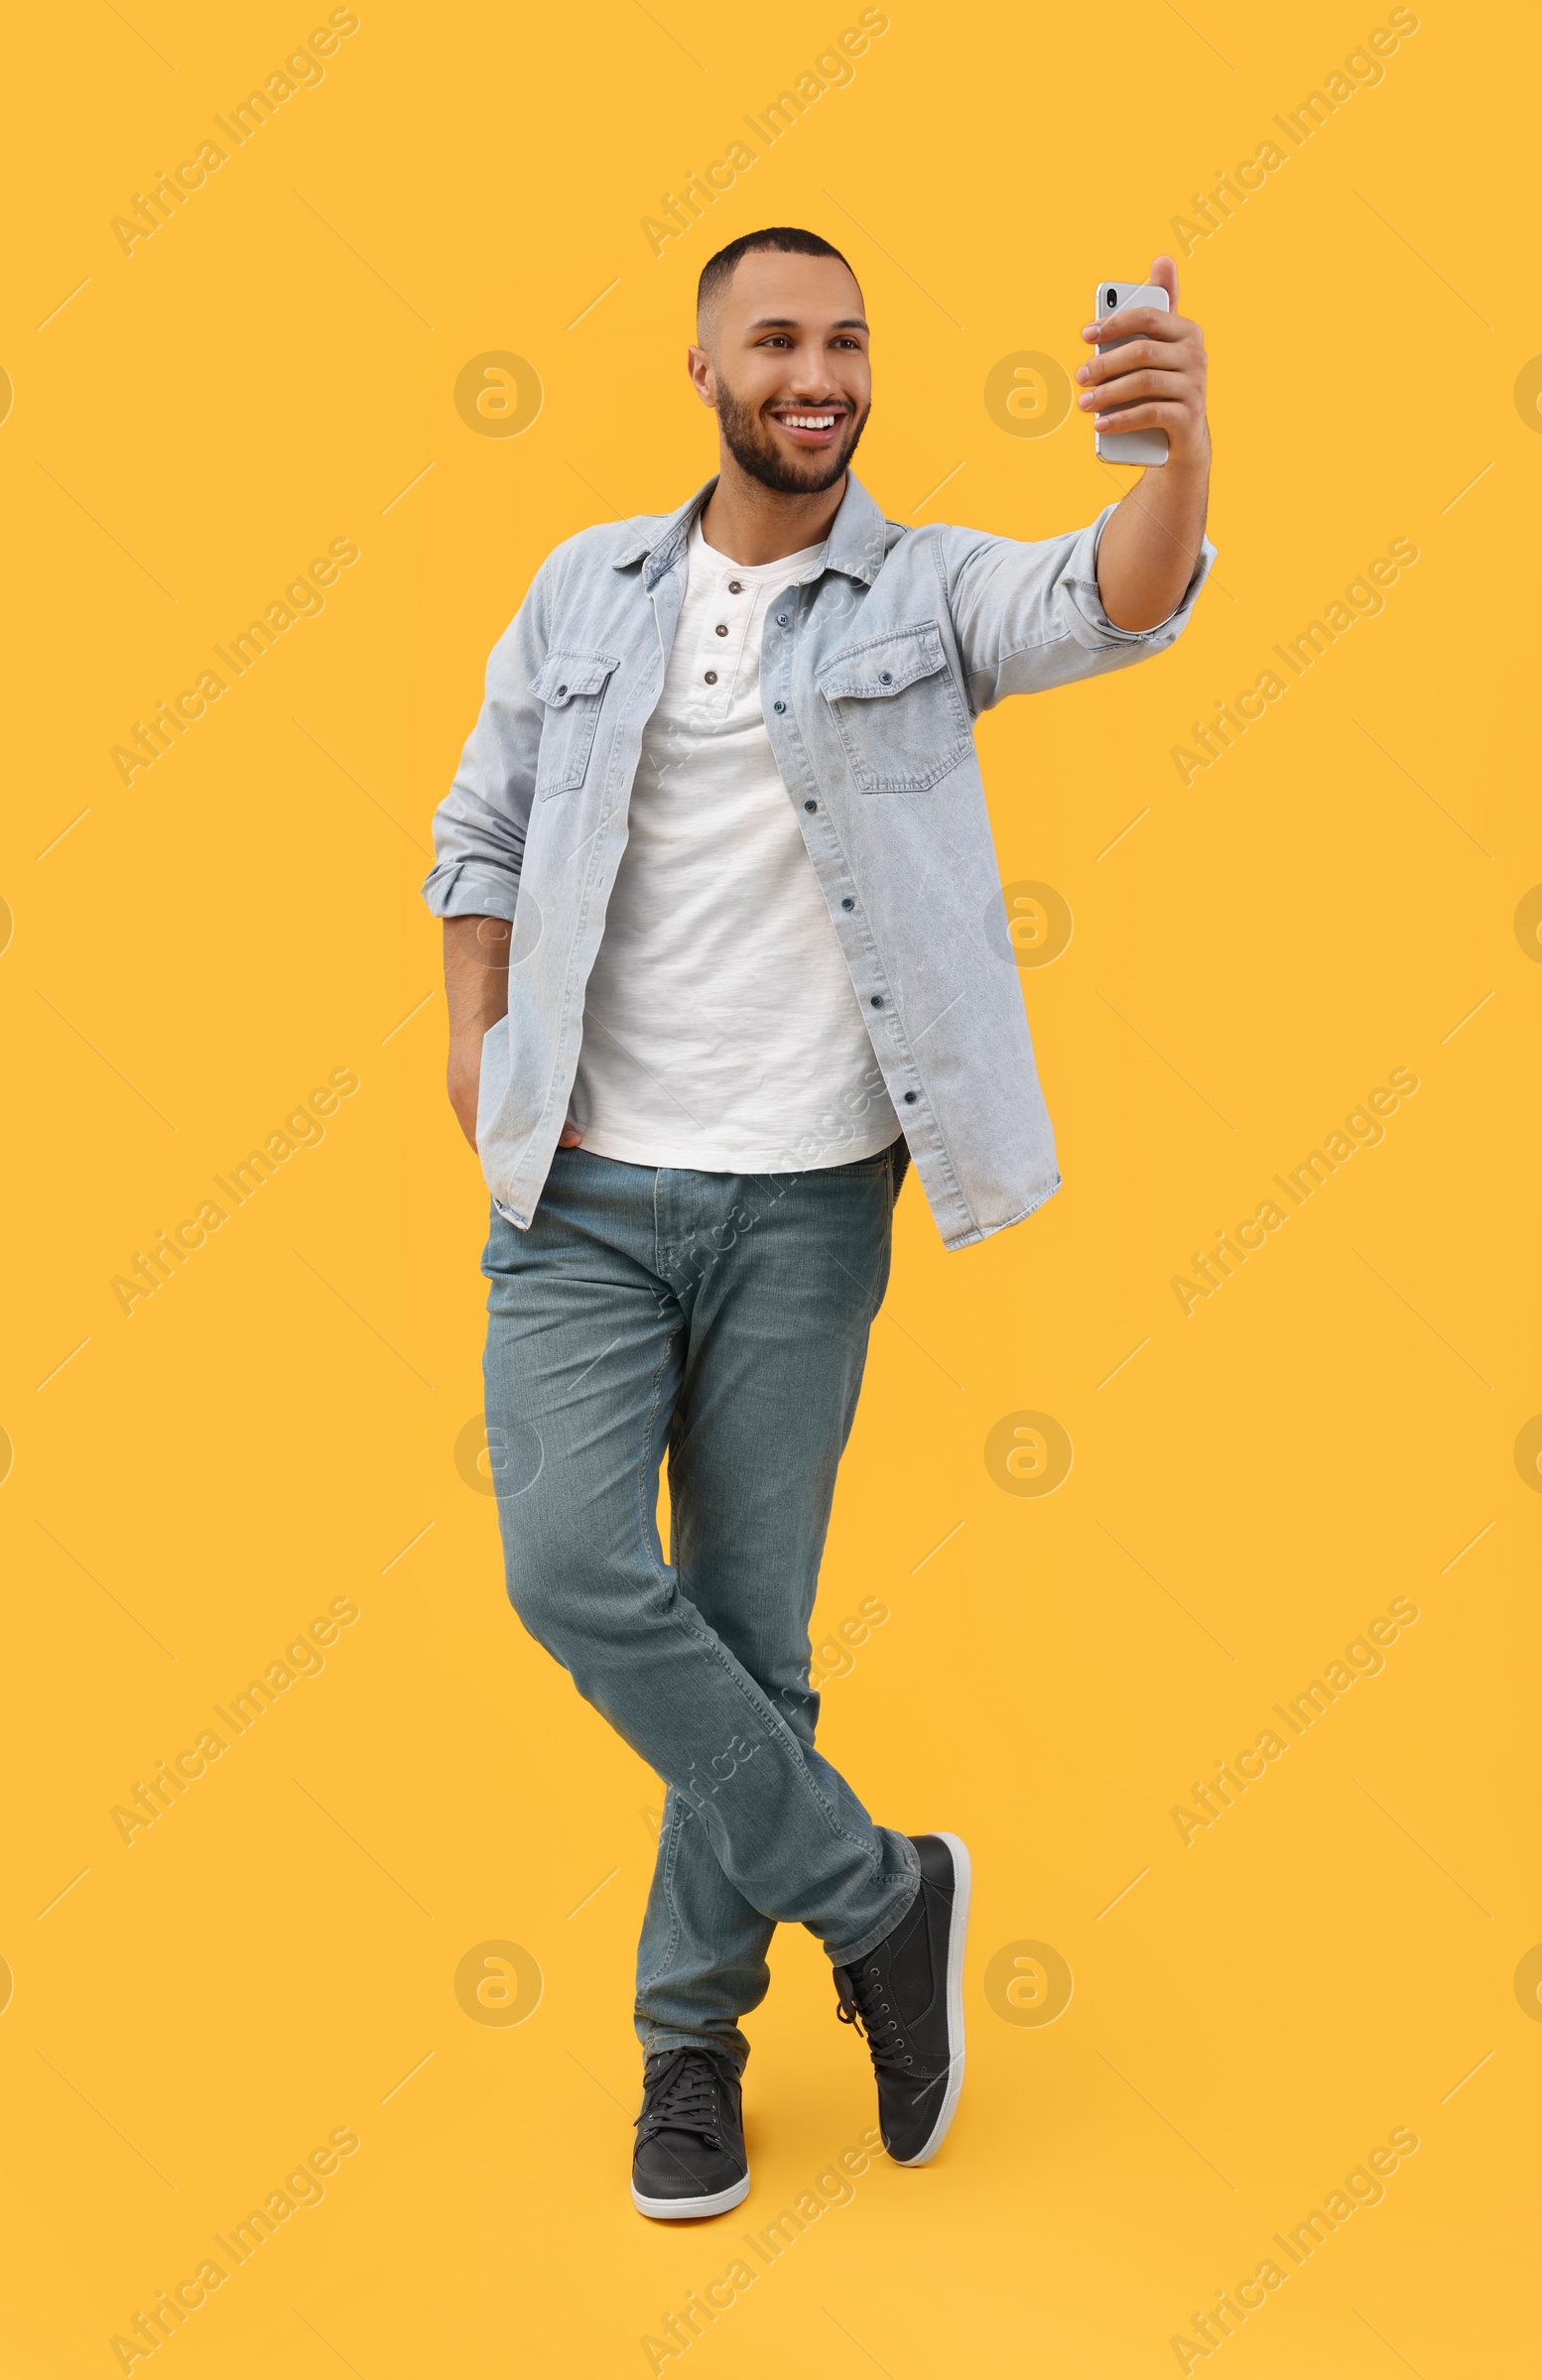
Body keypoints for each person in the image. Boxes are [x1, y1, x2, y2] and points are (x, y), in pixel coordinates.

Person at [427, 226, 1213, 2219]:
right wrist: (472, 1039)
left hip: (801, 1201)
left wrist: (1172, 455)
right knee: (571, 1568)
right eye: (775, 340)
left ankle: (687, 2047)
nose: (818, 372)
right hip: (582, 1189)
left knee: (749, 1640)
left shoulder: (922, 585)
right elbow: (483, 826)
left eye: (846, 343)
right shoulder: (581, 587)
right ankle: (878, 1901)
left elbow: (1109, 600)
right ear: (696, 368)